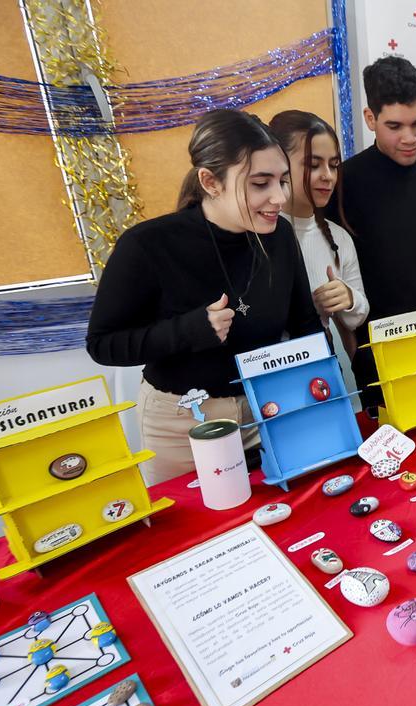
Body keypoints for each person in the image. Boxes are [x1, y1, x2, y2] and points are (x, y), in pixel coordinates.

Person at [87, 109, 321, 483]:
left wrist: (325, 398)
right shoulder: (147, 246)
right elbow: (103, 345)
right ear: (211, 182)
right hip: (184, 426)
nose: (279, 197)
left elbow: (305, 322)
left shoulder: (279, 237)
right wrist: (188, 331)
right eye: (261, 183)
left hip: (270, 407)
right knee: (198, 533)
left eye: (283, 180)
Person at [339, 56, 416, 408]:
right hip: (374, 351)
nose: (410, 138)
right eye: (395, 126)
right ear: (370, 119)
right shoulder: (344, 182)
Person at [268, 110, 368, 361]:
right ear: (279, 164)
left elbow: (358, 316)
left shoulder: (338, 237)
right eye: (313, 165)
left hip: (325, 369)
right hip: (270, 374)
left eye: (334, 165)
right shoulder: (258, 233)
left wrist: (347, 298)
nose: (328, 176)